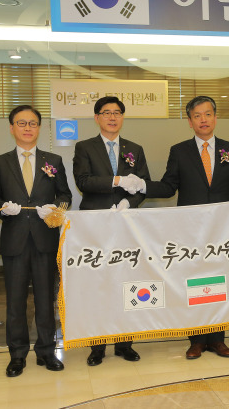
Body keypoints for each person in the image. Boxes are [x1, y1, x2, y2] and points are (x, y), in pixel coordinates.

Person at [120, 95, 229, 360]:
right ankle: (197, 341)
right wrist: (143, 185)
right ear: (189, 122)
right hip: (190, 231)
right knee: (195, 283)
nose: (203, 119)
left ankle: (218, 340)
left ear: (215, 117)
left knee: (220, 282)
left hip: (223, 231)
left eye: (208, 114)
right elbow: (168, 187)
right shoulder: (180, 151)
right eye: (197, 115)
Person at [0, 105, 71, 377]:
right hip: (14, 240)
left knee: (46, 300)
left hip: (45, 240)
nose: (27, 128)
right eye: (21, 123)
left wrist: (56, 210)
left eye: (32, 123)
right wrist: (3, 208)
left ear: (39, 128)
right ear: (12, 128)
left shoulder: (54, 161)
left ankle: (47, 351)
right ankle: (17, 355)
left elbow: (65, 195)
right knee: (15, 301)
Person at [72, 96, 150, 366]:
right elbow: (84, 182)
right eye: (106, 113)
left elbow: (143, 185)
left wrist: (131, 200)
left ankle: (124, 342)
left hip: (128, 225)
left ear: (123, 117)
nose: (112, 117)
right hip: (95, 226)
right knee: (98, 285)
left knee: (127, 282)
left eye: (117, 113)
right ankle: (97, 345)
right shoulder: (84, 147)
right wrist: (117, 180)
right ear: (97, 118)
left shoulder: (135, 149)